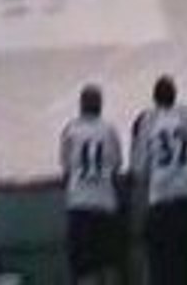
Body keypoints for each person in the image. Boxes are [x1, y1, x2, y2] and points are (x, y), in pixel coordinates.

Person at [131, 76, 187, 285]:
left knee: (161, 266)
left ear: (154, 99)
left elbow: (139, 169)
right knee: (185, 264)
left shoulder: (148, 122)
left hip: (162, 200)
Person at [60, 85, 125, 285]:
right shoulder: (109, 130)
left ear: (81, 106)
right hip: (105, 203)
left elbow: (66, 167)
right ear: (100, 106)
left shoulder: (70, 130)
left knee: (83, 269)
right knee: (109, 265)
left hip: (79, 203)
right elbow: (116, 165)